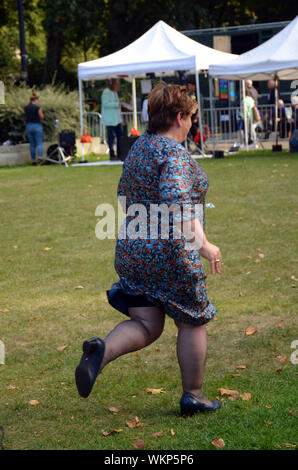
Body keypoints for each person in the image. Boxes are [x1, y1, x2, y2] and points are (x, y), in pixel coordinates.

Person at [75, 83, 223, 416]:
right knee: (192, 321)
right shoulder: (174, 153)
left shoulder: (138, 148)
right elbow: (178, 205)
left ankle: (101, 351)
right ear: (180, 117)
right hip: (170, 253)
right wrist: (205, 245)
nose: (191, 126)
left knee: (146, 323)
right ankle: (194, 395)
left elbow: (126, 196)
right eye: (191, 119)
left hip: (133, 248)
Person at [101, 78, 123, 161]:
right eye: (117, 84)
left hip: (116, 119)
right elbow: (106, 104)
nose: (118, 86)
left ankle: (120, 154)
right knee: (111, 138)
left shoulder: (115, 92)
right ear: (112, 84)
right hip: (110, 120)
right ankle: (112, 154)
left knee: (119, 137)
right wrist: (117, 104)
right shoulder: (106, 92)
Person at [24, 92, 44, 165]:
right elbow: (42, 116)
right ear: (35, 100)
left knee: (32, 144)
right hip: (37, 125)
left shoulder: (26, 107)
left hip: (29, 126)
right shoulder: (37, 108)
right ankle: (40, 157)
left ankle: (33, 160)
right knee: (39, 143)